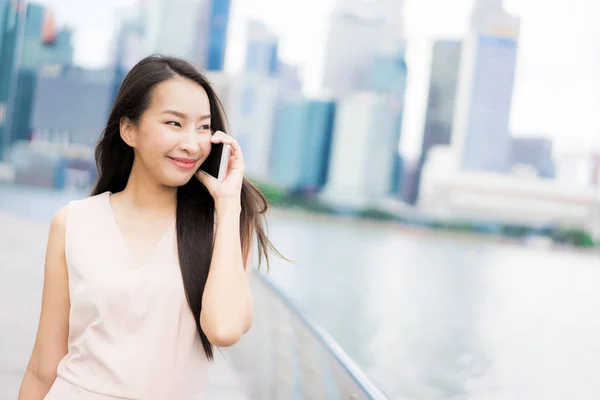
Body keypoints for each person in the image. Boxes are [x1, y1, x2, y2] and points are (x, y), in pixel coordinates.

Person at [17, 55, 280, 400]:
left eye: (203, 127)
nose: (192, 143)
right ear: (130, 130)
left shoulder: (224, 228)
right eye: (174, 123)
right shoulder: (73, 222)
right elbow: (43, 365)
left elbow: (225, 328)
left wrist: (229, 205)